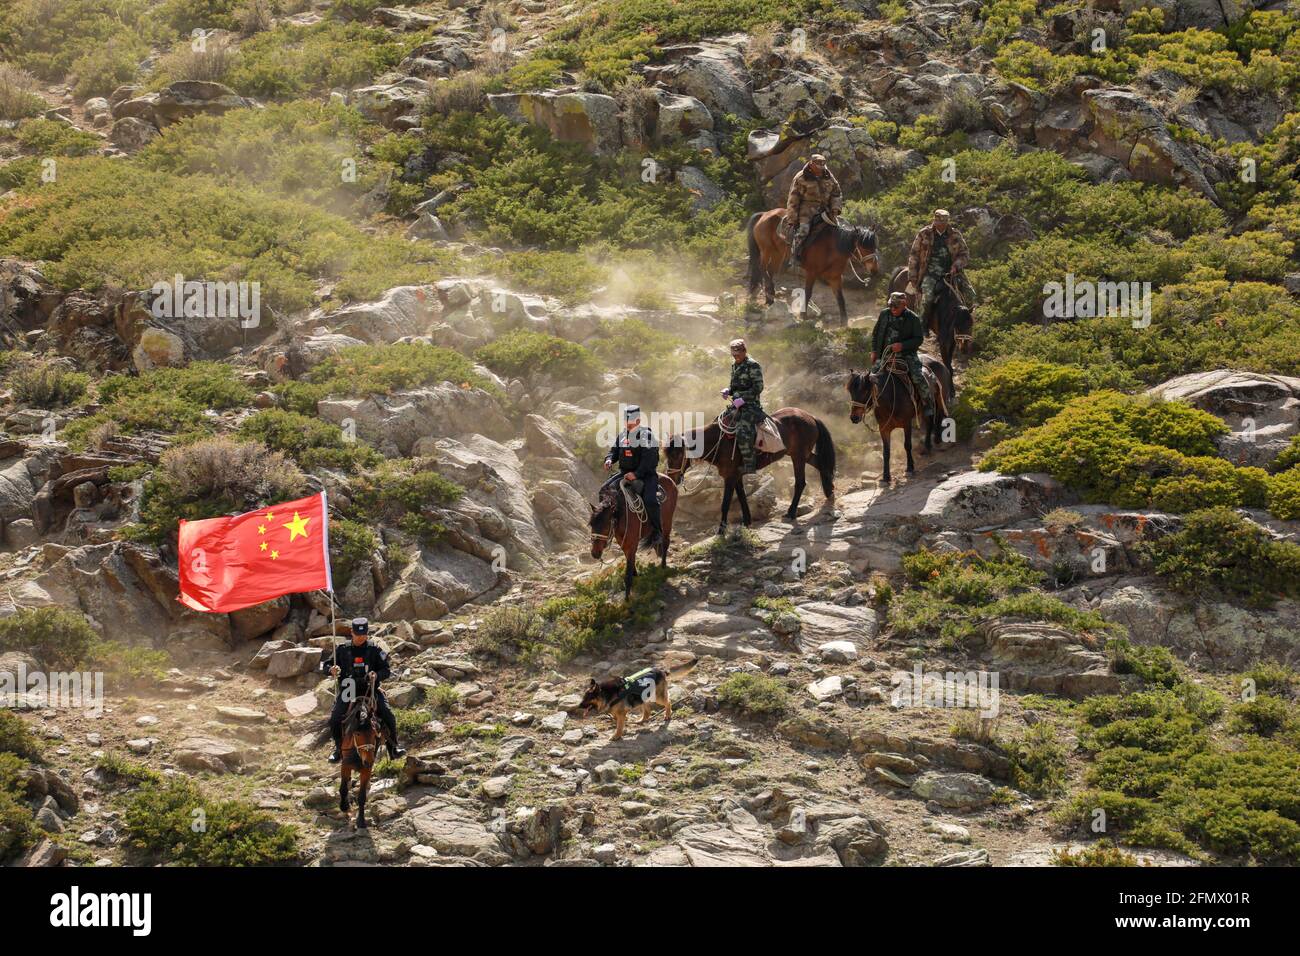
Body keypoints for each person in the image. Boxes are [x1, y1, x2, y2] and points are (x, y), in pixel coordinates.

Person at [324, 618, 404, 763]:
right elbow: (324, 665)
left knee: (388, 714)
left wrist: (376, 675)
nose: (361, 637)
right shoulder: (342, 650)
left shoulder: (375, 650)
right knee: (335, 718)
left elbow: (386, 670)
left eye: (363, 634)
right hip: (349, 691)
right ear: (351, 632)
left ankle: (393, 748)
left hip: (371, 690)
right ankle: (337, 749)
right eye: (357, 634)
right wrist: (331, 669)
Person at [870, 291, 934, 421]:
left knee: (917, 376)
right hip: (885, 354)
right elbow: (876, 334)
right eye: (891, 306)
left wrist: (903, 345)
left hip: (906, 355)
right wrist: (874, 351)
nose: (893, 309)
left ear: (904, 304)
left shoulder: (913, 318)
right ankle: (870, 405)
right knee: (871, 377)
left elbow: (918, 339)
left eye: (896, 306)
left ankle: (927, 403)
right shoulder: (884, 314)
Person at [603, 404, 662, 547]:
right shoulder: (622, 435)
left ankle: (657, 531)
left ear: (638, 421)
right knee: (603, 490)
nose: (628, 426)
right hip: (624, 473)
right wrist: (609, 459)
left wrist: (636, 474)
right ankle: (609, 527)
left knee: (650, 500)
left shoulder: (646, 436)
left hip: (645, 475)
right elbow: (614, 451)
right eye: (626, 423)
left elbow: (650, 459)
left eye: (630, 424)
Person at [905, 208, 975, 324]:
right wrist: (913, 277)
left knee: (970, 296)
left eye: (944, 222)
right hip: (930, 273)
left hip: (952, 272)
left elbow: (964, 254)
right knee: (926, 299)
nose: (941, 224)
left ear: (947, 221)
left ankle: (963, 325)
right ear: (935, 221)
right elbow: (914, 255)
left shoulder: (955, 234)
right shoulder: (924, 234)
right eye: (939, 222)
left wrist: (956, 265)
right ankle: (921, 325)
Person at [783, 154, 843, 263]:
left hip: (826, 210)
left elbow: (836, 193)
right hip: (806, 210)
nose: (820, 169)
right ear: (811, 164)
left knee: (838, 230)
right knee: (803, 231)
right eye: (818, 167)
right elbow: (793, 199)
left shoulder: (828, 176)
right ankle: (794, 255)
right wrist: (792, 219)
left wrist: (835, 208)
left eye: (823, 166)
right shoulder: (801, 177)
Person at [721, 339, 765, 475]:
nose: (736, 357)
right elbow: (734, 386)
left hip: (751, 406)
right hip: (737, 404)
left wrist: (743, 398)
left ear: (744, 351)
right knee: (721, 422)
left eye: (738, 355)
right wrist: (728, 390)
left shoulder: (753, 365)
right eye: (733, 355)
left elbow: (759, 387)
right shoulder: (734, 365)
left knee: (742, 432)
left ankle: (749, 466)